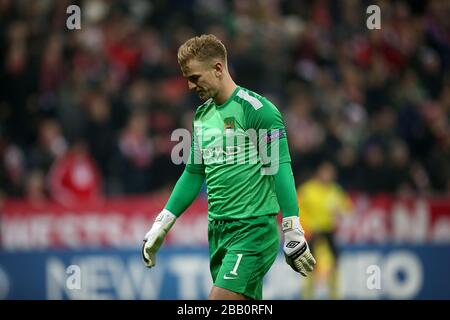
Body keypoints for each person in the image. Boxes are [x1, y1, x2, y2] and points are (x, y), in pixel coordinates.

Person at [142, 34, 316, 300]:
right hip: (218, 232)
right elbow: (193, 174)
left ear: (218, 68)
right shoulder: (201, 116)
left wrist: (292, 227)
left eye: (195, 77)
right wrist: (162, 223)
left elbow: (280, 167)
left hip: (253, 230)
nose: (189, 86)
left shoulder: (258, 110)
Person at [297, 161, 352, 299]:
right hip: (311, 233)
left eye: (330, 173)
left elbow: (348, 209)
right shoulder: (307, 190)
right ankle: (307, 296)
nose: (328, 176)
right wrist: (306, 227)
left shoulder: (335, 191)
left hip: (328, 232)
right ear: (318, 173)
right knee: (309, 266)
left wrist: (340, 212)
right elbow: (297, 210)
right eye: (325, 172)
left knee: (334, 265)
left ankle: (334, 295)